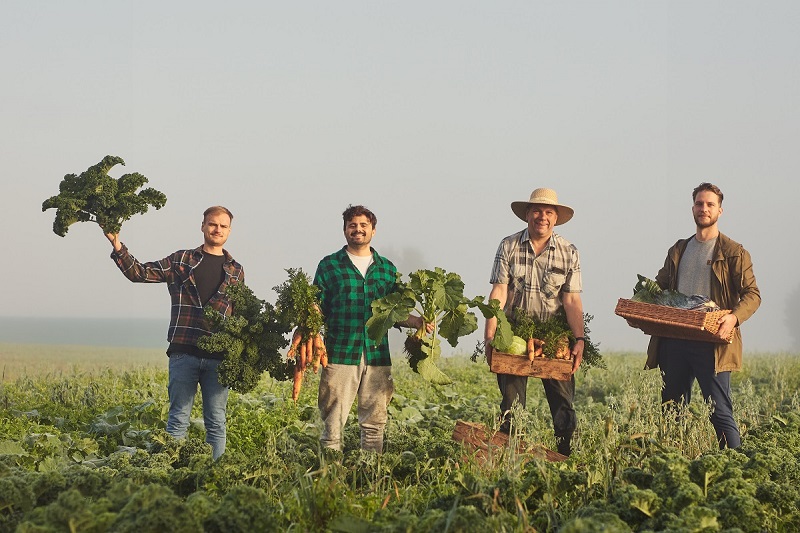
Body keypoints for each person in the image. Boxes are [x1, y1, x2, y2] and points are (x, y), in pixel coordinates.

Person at [105, 206, 244, 460]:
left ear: (229, 231)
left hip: (218, 359)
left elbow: (241, 316)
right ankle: (171, 473)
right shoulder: (181, 261)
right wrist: (117, 246)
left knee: (216, 422)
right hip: (184, 352)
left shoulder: (236, 270)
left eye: (223, 226)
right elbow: (140, 273)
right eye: (213, 224)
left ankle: (214, 475)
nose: (217, 230)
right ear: (202, 226)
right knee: (178, 419)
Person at [645, 183, 760, 449]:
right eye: (699, 204)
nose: (704, 209)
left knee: (719, 413)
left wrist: (733, 318)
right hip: (674, 340)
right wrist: (643, 302)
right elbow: (659, 288)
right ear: (693, 208)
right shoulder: (679, 249)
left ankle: (736, 468)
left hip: (713, 343)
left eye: (710, 205)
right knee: (671, 412)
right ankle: (674, 467)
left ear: (720, 210)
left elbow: (752, 295)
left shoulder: (734, 252)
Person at [312, 205, 427, 453]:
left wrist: (416, 321)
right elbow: (315, 304)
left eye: (364, 225)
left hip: (377, 355)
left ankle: (370, 473)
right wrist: (308, 318)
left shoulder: (387, 268)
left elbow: (394, 312)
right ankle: (328, 476)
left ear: (373, 231)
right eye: (352, 225)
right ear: (344, 230)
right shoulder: (329, 265)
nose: (358, 230)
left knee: (375, 423)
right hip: (340, 353)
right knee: (333, 423)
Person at [484, 188, 585, 457]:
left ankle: (566, 457)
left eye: (548, 212)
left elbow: (572, 301)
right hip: (514, 334)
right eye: (537, 211)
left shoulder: (568, 251)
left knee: (563, 404)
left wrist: (579, 340)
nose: (543, 216)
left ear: (556, 218)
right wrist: (491, 335)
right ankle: (509, 457)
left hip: (555, 339)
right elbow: (499, 292)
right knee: (511, 403)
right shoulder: (508, 245)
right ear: (527, 214)